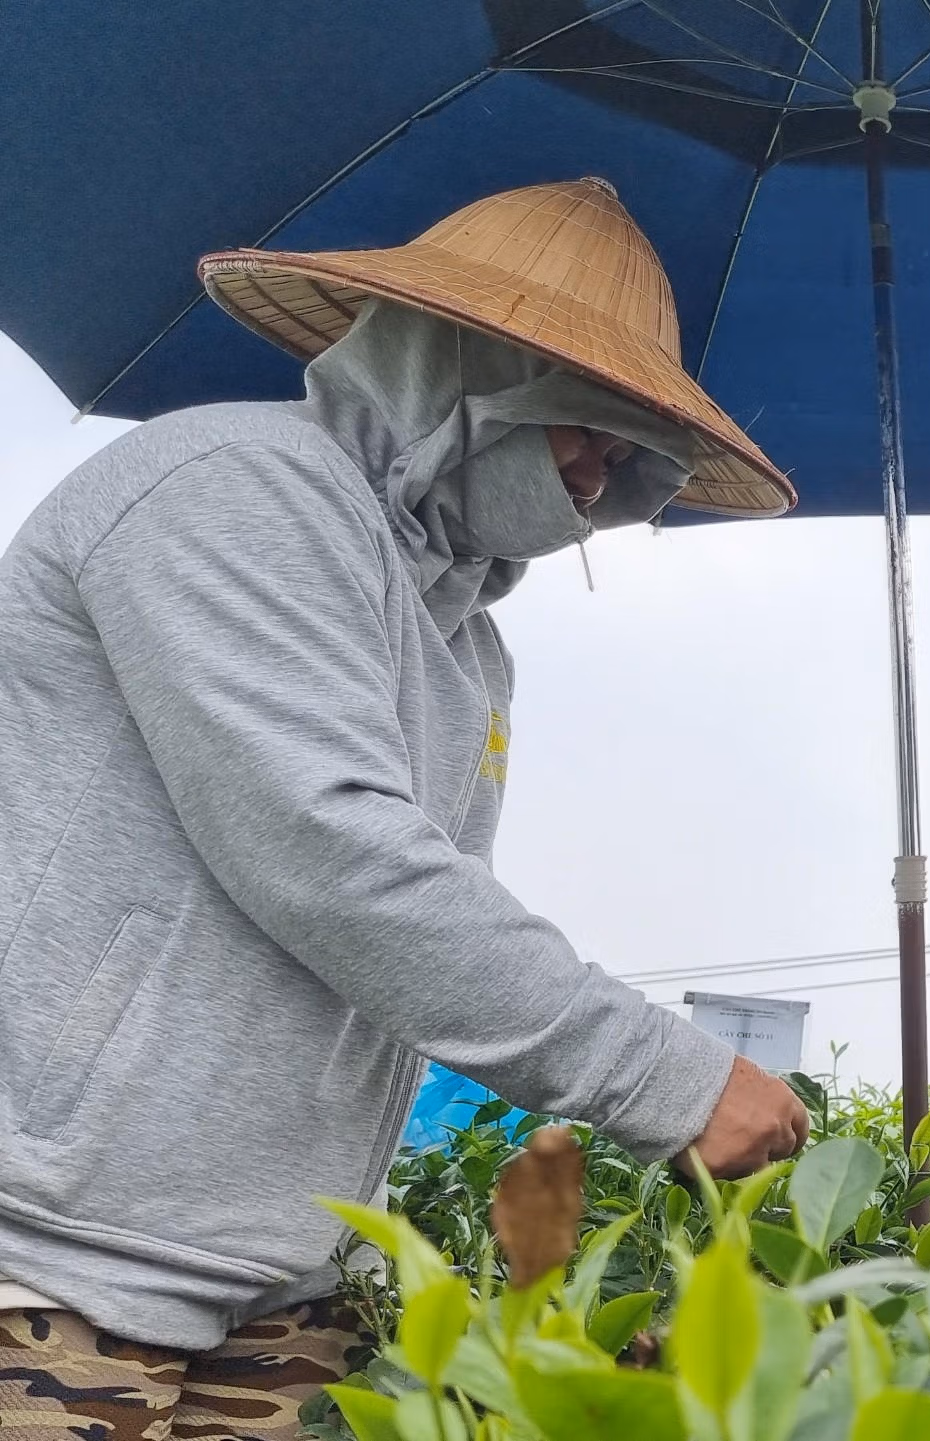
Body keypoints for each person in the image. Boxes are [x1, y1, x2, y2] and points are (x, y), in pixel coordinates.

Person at [0, 178, 810, 1435]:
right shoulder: (232, 489)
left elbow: (422, 916)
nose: (596, 476)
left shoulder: (470, 644)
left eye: (625, 454)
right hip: (52, 1253)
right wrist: (663, 1072)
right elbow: (332, 853)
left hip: (282, 1283)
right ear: (461, 375)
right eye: (583, 427)